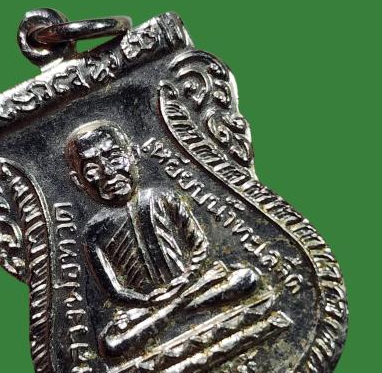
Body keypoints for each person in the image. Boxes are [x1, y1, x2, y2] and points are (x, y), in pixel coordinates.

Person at [66, 121, 260, 357]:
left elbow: (200, 247)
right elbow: (115, 291)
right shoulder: (94, 233)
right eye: (92, 169)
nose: (107, 171)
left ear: (133, 155)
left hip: (191, 286)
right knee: (111, 344)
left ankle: (173, 313)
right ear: (78, 181)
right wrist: (148, 300)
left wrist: (185, 281)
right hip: (150, 308)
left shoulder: (164, 197)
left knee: (245, 278)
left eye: (114, 158)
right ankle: (180, 310)